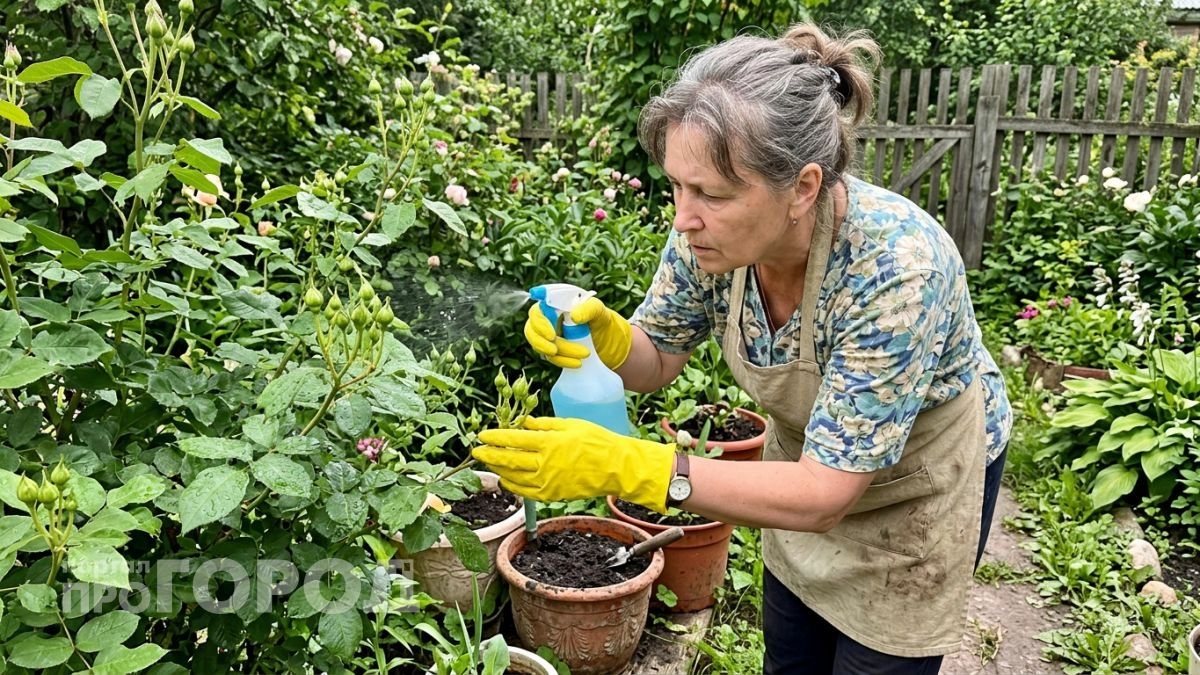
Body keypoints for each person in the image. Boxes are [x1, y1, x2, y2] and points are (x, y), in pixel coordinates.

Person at [473, 23, 1012, 675]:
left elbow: (823, 495)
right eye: (677, 185)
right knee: (790, 657)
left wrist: (631, 466)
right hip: (803, 473)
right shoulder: (707, 240)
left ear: (803, 188)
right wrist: (612, 339)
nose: (682, 216)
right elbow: (658, 358)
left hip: (913, 497)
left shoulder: (896, 271)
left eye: (712, 194)